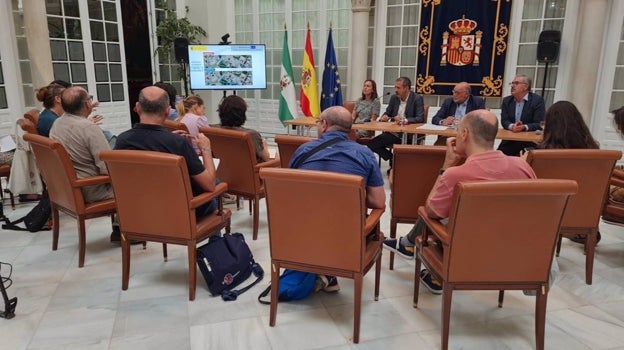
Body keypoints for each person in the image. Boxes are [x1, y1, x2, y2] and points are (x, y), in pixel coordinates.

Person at [383, 109, 537, 294]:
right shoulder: (523, 167)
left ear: (464, 134)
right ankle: (410, 248)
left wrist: (446, 166)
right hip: (513, 255)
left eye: (458, 130)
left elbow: (431, 211)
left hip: (466, 255)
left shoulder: (456, 174)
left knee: (442, 216)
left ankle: (416, 252)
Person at [290, 105, 386, 292]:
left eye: (318, 123)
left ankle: (320, 271)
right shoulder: (364, 154)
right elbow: (378, 202)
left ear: (324, 125)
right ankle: (327, 273)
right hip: (347, 236)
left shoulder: (302, 150)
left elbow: (291, 191)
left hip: (303, 233)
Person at [115, 86, 219, 218]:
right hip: (179, 214)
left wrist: (170, 137)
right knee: (217, 183)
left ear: (138, 107)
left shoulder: (122, 140)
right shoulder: (177, 143)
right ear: (168, 111)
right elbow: (209, 184)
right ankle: (216, 238)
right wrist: (206, 149)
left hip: (140, 213)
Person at [523, 100, 600, 245]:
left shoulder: (539, 155)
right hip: (582, 212)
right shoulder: (595, 154)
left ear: (549, 125)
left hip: (547, 213)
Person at [50, 86, 113, 203]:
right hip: (93, 190)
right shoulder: (88, 127)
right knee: (141, 186)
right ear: (88, 104)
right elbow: (108, 167)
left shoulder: (57, 123)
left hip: (67, 190)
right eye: (90, 98)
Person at [367, 76, 425, 172]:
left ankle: (397, 166)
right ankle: (394, 160)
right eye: (395, 87)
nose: (395, 90)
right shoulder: (394, 98)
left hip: (410, 134)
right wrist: (384, 116)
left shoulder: (417, 98)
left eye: (398, 88)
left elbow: (420, 117)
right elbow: (388, 112)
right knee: (372, 144)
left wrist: (405, 120)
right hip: (394, 133)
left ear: (406, 88)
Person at [497, 74, 545, 156]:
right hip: (510, 141)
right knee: (498, 157)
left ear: (525, 87)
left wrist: (524, 127)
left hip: (529, 141)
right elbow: (504, 121)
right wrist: (512, 126)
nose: (512, 86)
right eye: (512, 83)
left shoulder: (537, 101)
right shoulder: (507, 101)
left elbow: (539, 123)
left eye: (516, 83)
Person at [217, 95, 269, 162]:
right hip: (253, 171)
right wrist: (265, 147)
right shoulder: (251, 135)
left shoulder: (214, 131)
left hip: (224, 171)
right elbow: (268, 159)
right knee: (276, 157)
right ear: (242, 114)